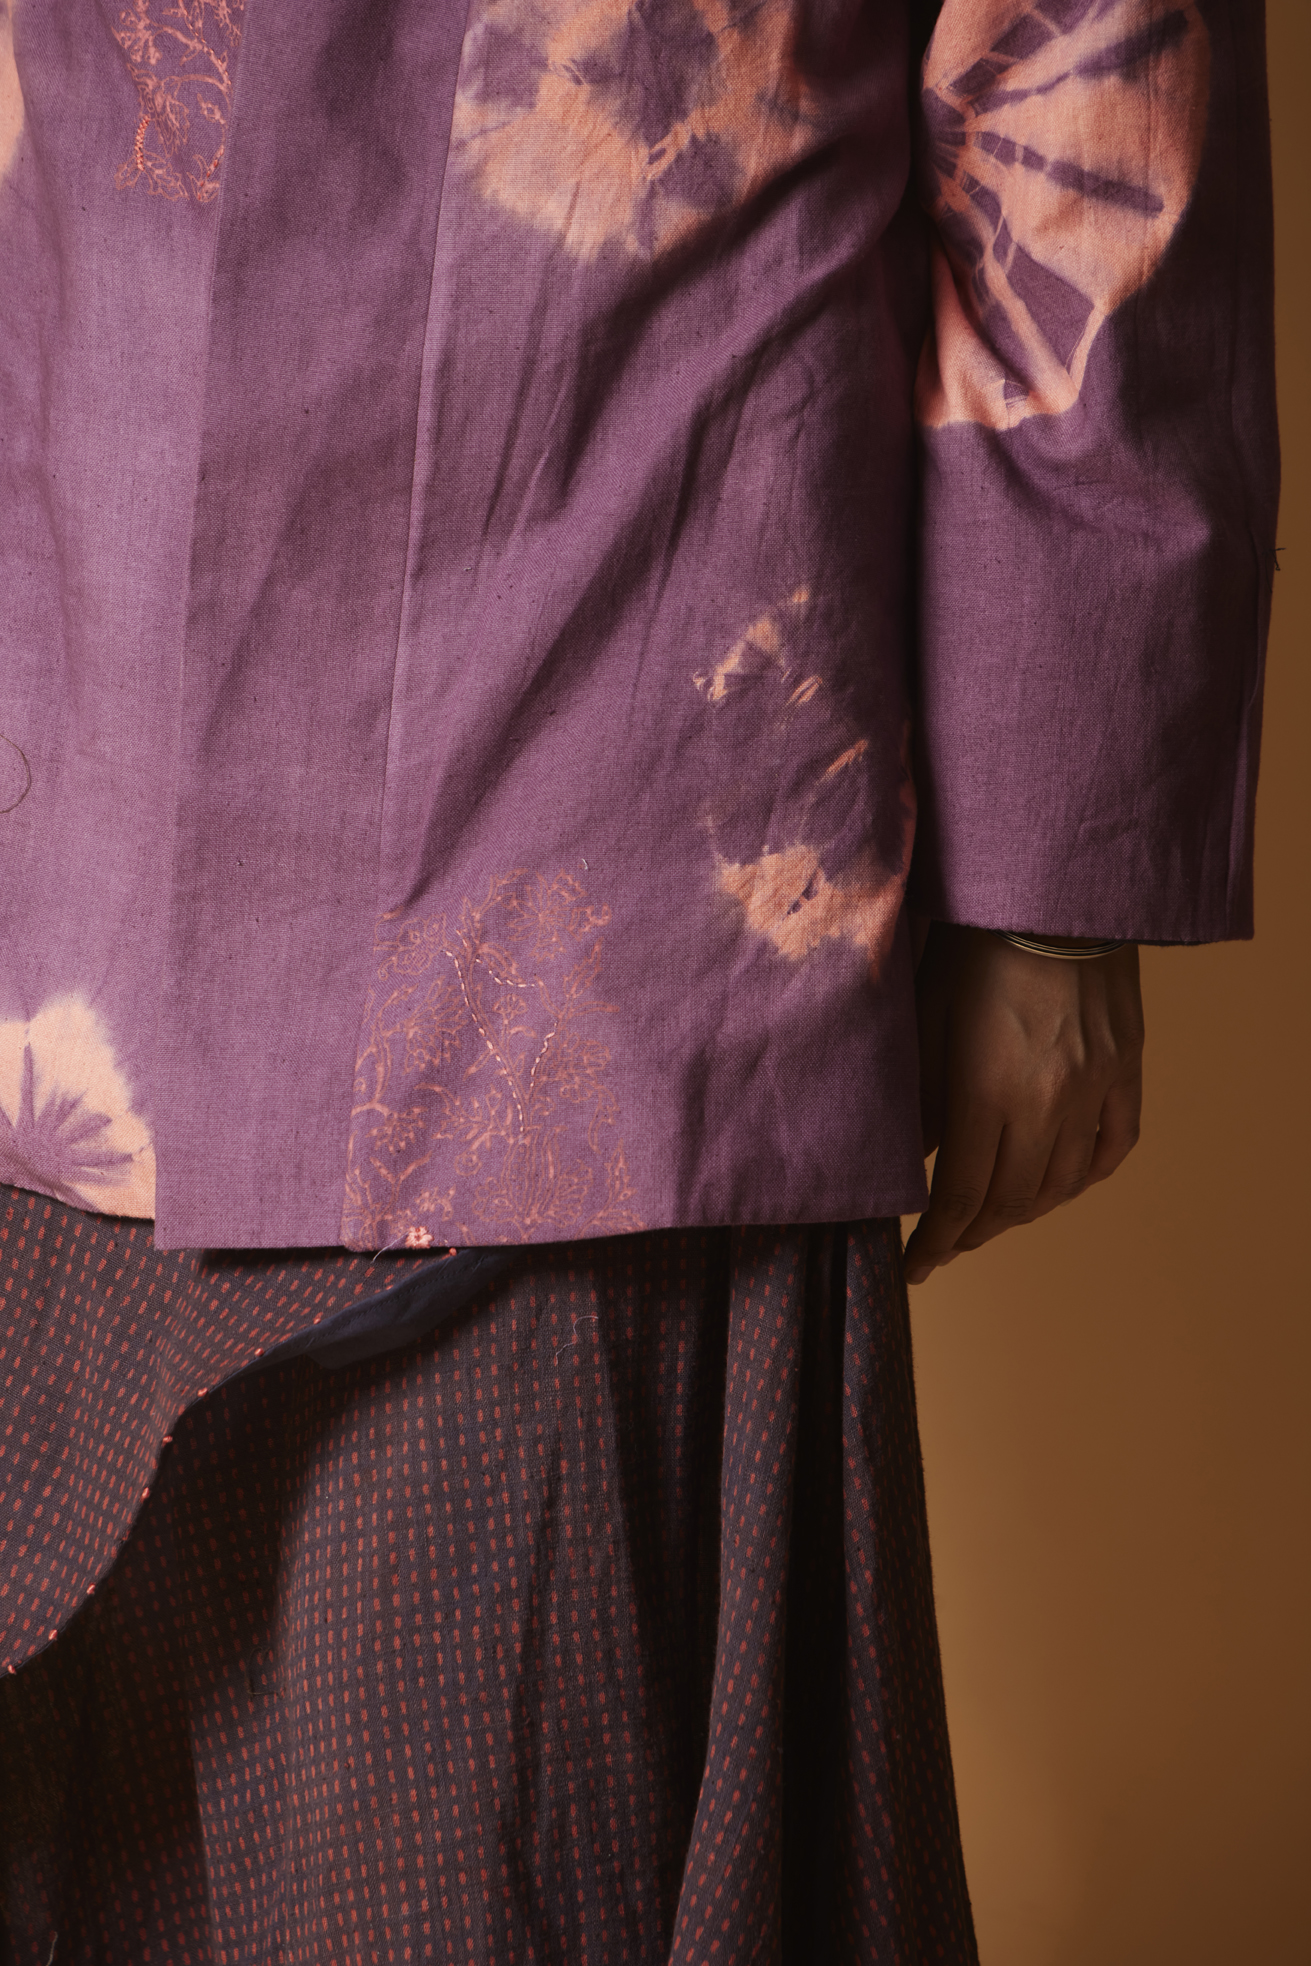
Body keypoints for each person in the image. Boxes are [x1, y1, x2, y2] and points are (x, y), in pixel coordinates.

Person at [0, 0, 1276, 1957]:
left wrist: (1050, 867)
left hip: (600, 784)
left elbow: (1082, 62)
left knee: (514, 1851)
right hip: (76, 743)